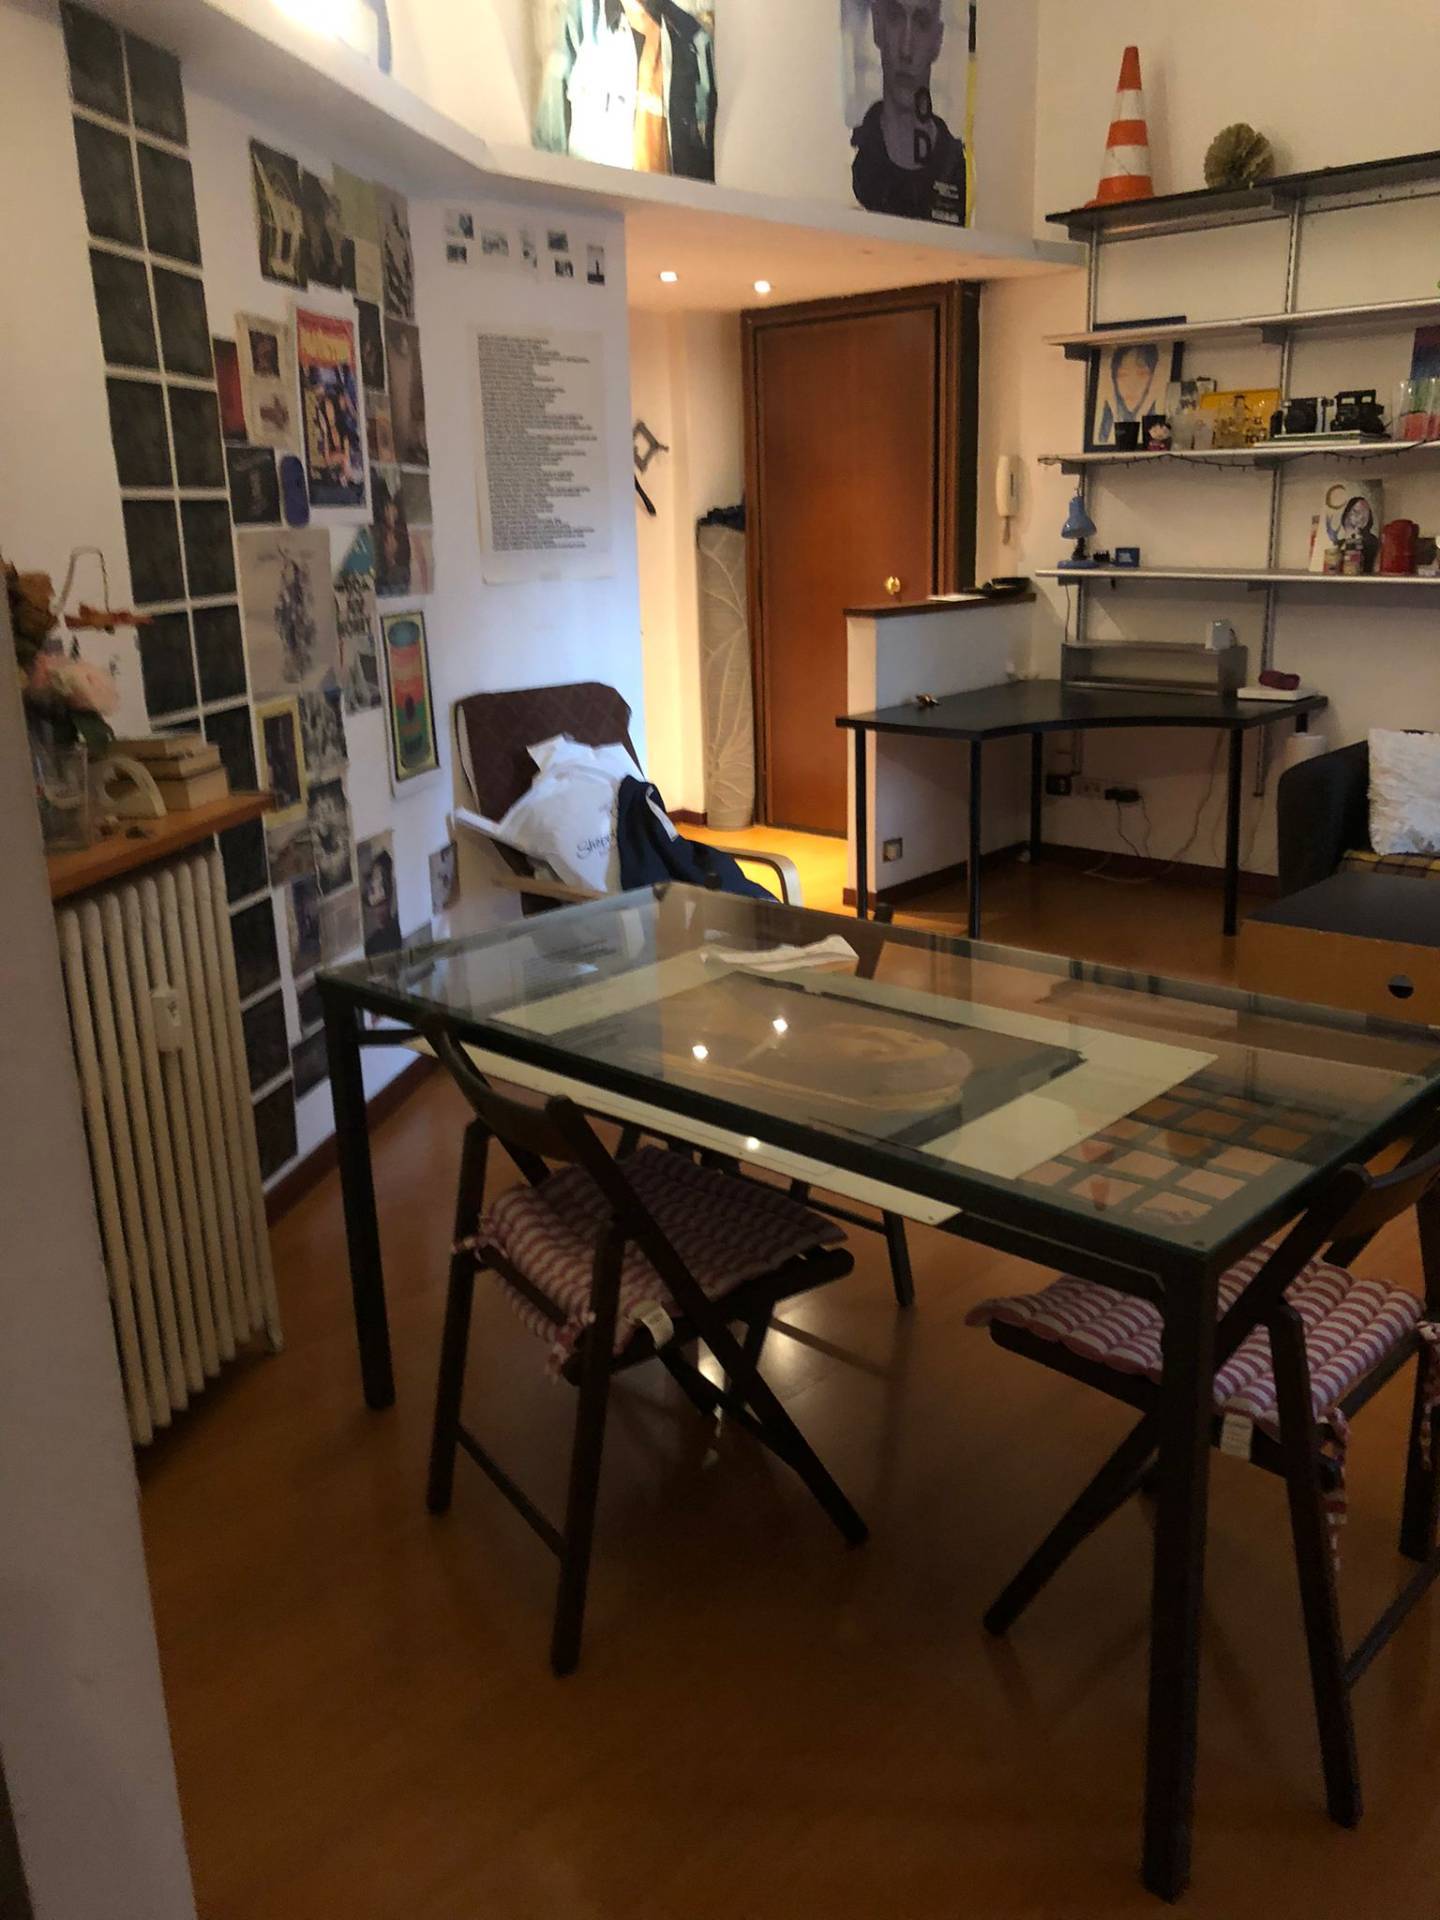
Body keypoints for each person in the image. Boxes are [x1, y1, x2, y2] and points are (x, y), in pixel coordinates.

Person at [851, 0, 968, 225]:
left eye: (921, 23)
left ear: (937, 40)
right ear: (877, 26)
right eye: (895, 18)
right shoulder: (855, 153)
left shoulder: (956, 166)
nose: (906, 49)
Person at [1094, 343, 1160, 445]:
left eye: (1141, 374)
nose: (1131, 385)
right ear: (1114, 378)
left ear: (1152, 377)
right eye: (1123, 375)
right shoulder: (1106, 422)